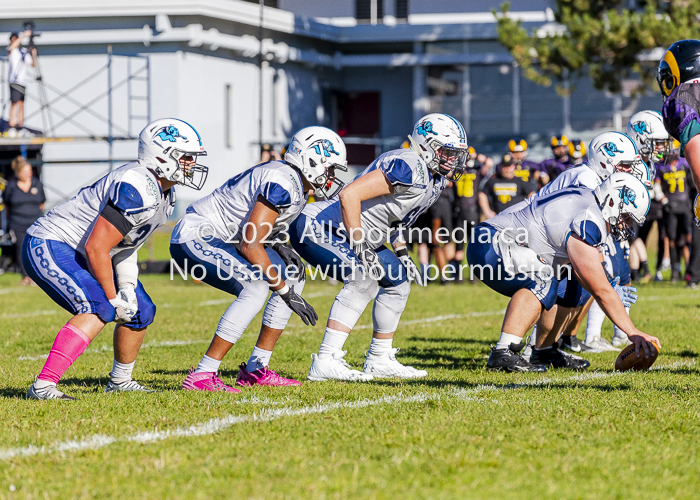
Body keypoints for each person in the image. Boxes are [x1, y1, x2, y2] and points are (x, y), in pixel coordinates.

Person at [23, 118, 209, 400]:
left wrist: (126, 287)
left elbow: (125, 246)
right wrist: (113, 297)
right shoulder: (136, 186)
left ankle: (120, 381)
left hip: (88, 250)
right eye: (185, 158)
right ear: (161, 156)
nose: (191, 165)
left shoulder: (165, 195)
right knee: (99, 306)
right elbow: (98, 247)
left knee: (141, 310)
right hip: (52, 241)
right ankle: (43, 386)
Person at [289, 113, 469, 381]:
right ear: (426, 146)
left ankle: (379, 358)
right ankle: (326, 359)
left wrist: (400, 253)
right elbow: (349, 195)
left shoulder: (434, 180)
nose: (453, 160)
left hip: (350, 233)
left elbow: (394, 216)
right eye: (447, 152)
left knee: (398, 284)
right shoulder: (409, 165)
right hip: (318, 226)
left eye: (456, 154)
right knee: (365, 279)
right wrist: (361, 247)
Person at [172, 126, 346, 391]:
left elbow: (253, 223)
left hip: (222, 238)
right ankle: (203, 374)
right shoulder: (283, 181)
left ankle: (256, 368)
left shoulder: (291, 180)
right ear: (312, 160)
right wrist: (285, 293)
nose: (331, 177)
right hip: (196, 235)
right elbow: (250, 244)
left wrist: (278, 244)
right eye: (329, 168)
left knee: (292, 275)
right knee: (256, 287)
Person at [468, 172, 659, 373]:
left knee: (574, 286)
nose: (627, 225)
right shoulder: (588, 218)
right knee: (543, 281)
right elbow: (600, 290)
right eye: (626, 217)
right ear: (611, 202)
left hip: (509, 244)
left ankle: (544, 349)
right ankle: (503, 352)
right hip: (490, 242)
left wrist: (608, 286)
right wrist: (632, 332)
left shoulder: (590, 203)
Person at [626, 110, 675, 282]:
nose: (662, 148)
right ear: (641, 140)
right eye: (658, 143)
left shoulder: (648, 165)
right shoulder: (627, 164)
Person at [3, 156, 45, 284]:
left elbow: (42, 203)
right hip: (18, 223)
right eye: (24, 172)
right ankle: (26, 277)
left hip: (35, 222)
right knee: (22, 249)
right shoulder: (11, 186)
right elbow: (7, 205)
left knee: (37, 248)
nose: (28, 174)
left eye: (29, 171)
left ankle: (40, 275)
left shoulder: (37, 183)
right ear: (18, 172)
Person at [452, 146, 483, 282]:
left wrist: (476, 156)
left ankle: (474, 275)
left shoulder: (476, 170)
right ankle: (458, 274)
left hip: (472, 211)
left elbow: (488, 164)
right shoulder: (457, 170)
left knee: (474, 244)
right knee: (459, 245)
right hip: (460, 211)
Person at [479, 154, 534, 218]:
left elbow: (532, 194)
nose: (507, 169)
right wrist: (487, 211)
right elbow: (482, 194)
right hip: (498, 217)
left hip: (516, 217)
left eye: (509, 166)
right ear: (501, 167)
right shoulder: (493, 180)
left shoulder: (520, 180)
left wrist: (527, 211)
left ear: (513, 166)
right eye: (505, 166)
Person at [6, 31, 36, 138]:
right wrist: (24, 35)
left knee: (21, 104)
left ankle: (20, 127)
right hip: (14, 81)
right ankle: (12, 126)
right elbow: (12, 47)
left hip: (23, 82)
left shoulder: (23, 51)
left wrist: (33, 53)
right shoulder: (11, 50)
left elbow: (32, 64)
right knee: (14, 103)